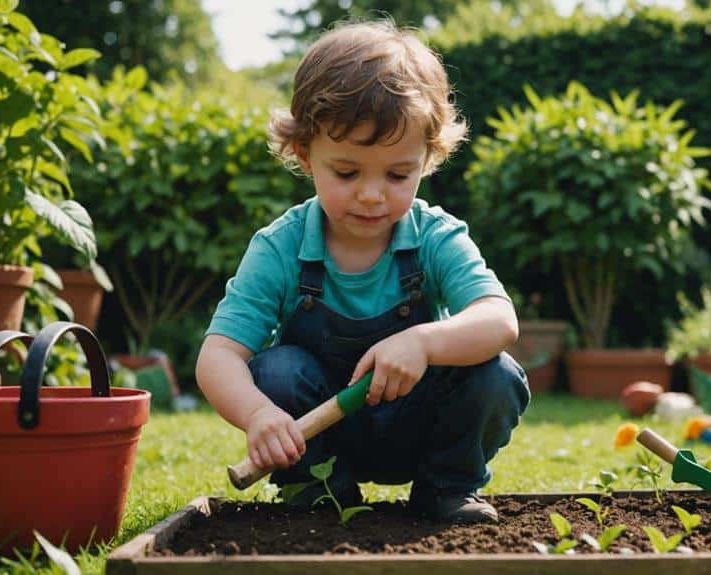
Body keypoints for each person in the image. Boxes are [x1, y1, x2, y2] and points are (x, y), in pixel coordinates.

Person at [196, 20, 530, 524]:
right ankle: (320, 495)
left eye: (398, 174)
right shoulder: (280, 247)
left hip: (420, 427)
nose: (372, 194)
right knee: (275, 371)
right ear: (306, 155)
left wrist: (422, 342)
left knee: (495, 373)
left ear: (428, 158)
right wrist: (258, 414)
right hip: (320, 438)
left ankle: (445, 488)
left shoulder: (435, 236)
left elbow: (499, 320)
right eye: (347, 172)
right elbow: (217, 355)